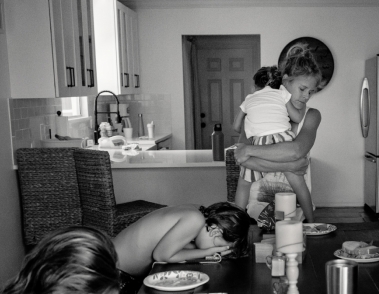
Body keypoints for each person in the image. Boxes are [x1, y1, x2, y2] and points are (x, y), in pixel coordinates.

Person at [232, 44, 322, 225]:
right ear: (286, 81)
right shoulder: (258, 112)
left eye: (311, 92)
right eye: (302, 89)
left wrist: (251, 151)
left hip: (296, 216)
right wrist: (291, 166)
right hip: (254, 216)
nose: (306, 96)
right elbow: (240, 156)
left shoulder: (311, 116)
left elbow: (295, 152)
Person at [113, 202, 251, 277]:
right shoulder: (194, 220)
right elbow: (162, 255)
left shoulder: (197, 211)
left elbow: (172, 248)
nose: (216, 251)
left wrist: (206, 250)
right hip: (112, 270)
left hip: (113, 260)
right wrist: (208, 251)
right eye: (219, 246)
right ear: (215, 231)